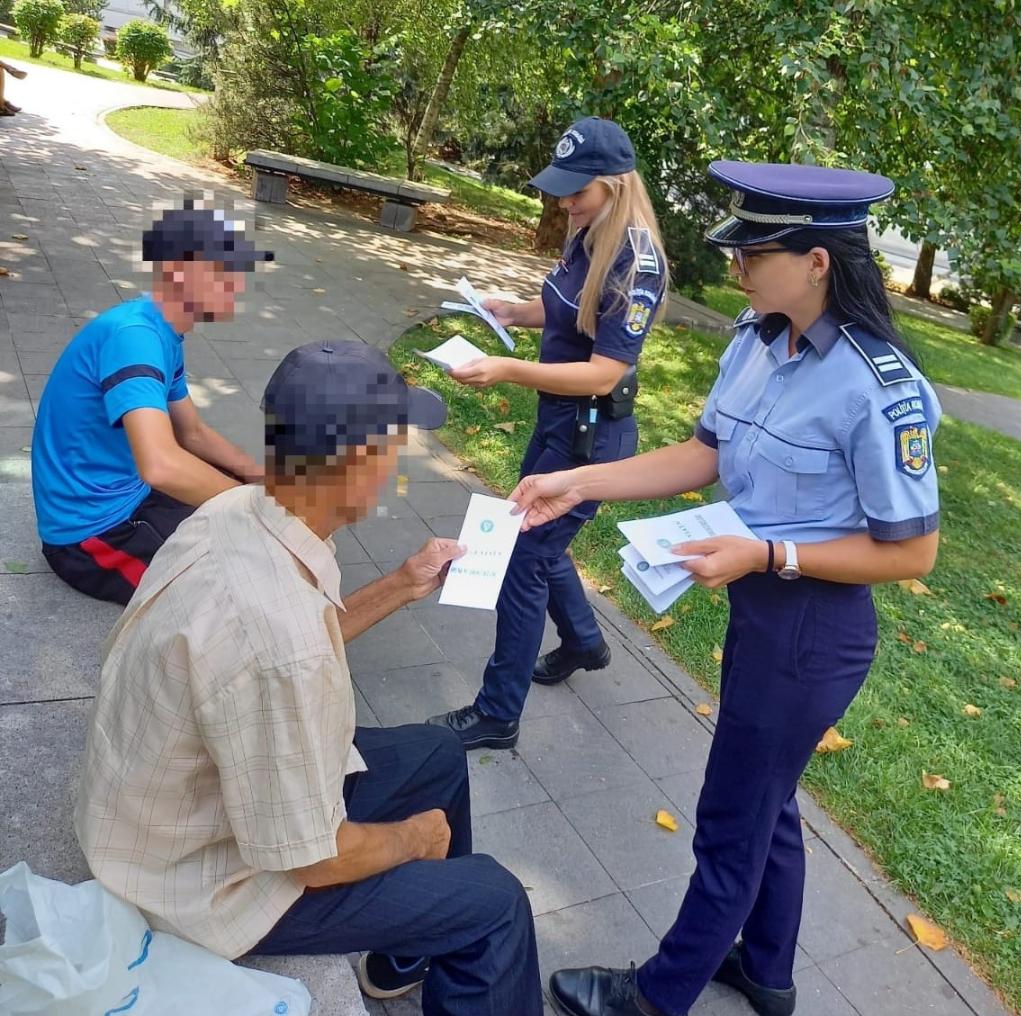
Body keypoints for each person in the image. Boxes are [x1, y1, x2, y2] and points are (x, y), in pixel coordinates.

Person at [510, 162, 942, 1016]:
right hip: (762, 612)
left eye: (756, 252)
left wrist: (771, 556)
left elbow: (913, 555)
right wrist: (582, 483)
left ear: (819, 260)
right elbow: (703, 456)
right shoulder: (757, 337)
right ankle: (768, 973)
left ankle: (656, 996)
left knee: (732, 821)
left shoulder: (879, 388)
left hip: (812, 632)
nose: (735, 268)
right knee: (767, 802)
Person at [75, 340, 544, 1016]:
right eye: (393, 447)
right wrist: (416, 839)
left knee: (438, 755)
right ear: (357, 466)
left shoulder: (240, 512)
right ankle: (455, 926)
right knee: (494, 902)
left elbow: (283, 646)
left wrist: (402, 586)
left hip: (164, 807)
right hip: (192, 882)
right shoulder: (278, 642)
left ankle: (406, 951)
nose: (396, 466)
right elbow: (312, 860)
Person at [427, 116, 668, 750]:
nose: (564, 201)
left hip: (590, 440)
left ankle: (497, 714)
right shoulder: (588, 232)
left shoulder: (636, 263)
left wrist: (506, 368)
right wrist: (516, 312)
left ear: (614, 185)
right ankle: (585, 643)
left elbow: (603, 371)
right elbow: (567, 313)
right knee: (538, 540)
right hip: (557, 424)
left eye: (576, 191)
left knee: (521, 561)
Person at [32, 203, 270, 605]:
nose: (239, 284)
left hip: (131, 494)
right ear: (179, 268)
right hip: (92, 534)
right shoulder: (134, 337)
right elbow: (160, 465)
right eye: (224, 269)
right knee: (238, 592)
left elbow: (191, 433)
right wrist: (245, 504)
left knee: (254, 539)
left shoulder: (158, 333)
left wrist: (257, 477)